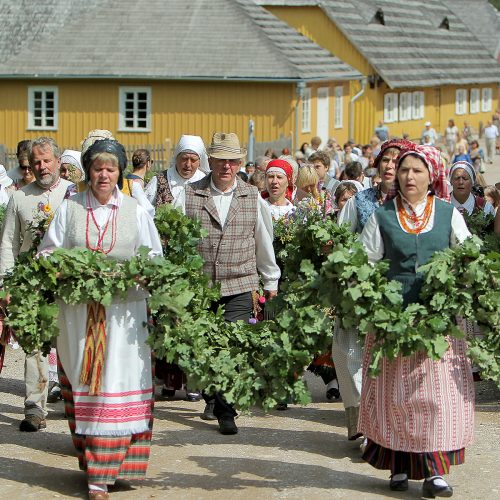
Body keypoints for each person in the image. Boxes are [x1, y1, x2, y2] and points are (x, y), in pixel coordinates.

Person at [38, 139, 162, 500]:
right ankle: (96, 473)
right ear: (88, 173)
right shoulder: (71, 208)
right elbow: (49, 250)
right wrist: (62, 267)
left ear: (119, 172)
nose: (103, 175)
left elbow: (154, 255)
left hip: (126, 315)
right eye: (97, 169)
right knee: (91, 385)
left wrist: (143, 274)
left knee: (119, 384)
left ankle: (114, 470)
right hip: (81, 314)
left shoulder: (136, 210)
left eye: (110, 169)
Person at [359, 144, 474, 497]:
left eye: (417, 171)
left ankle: (435, 473)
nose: (409, 176)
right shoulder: (382, 216)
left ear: (432, 176)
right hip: (392, 323)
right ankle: (398, 465)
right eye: (405, 170)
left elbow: (469, 253)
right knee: (397, 398)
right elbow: (365, 263)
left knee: (436, 398)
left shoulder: (447, 214)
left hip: (438, 323)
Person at [182, 132, 280, 435]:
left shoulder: (252, 196)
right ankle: (211, 394)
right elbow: (175, 240)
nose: (227, 166)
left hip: (239, 282)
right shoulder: (188, 193)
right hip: (200, 285)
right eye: (221, 160)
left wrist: (270, 278)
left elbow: (263, 240)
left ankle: (226, 410)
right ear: (210, 161)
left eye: (233, 161)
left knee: (232, 346)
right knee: (203, 347)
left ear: (240, 163)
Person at [335, 139, 412, 440]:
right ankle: (360, 421)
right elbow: (341, 239)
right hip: (360, 290)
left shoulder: (417, 205)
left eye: (397, 161)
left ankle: (391, 425)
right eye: (386, 160)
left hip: (400, 295)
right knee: (348, 351)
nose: (390, 166)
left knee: (393, 359)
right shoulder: (359, 201)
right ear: (377, 165)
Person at [0, 137, 73, 432]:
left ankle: (76, 403)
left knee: (71, 346)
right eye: (36, 162)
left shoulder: (74, 195)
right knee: (34, 346)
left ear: (58, 161)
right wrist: (6, 285)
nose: (42, 167)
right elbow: (8, 244)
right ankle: (34, 407)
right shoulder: (20, 197)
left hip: (69, 285)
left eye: (47, 161)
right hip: (31, 286)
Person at [145, 135, 208, 402]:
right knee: (167, 319)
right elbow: (144, 214)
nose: (189, 164)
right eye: (184, 159)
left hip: (196, 261)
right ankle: (169, 381)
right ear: (177, 158)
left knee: (192, 320)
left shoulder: (206, 181)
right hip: (166, 260)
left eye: (194, 160)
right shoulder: (159, 181)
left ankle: (193, 382)